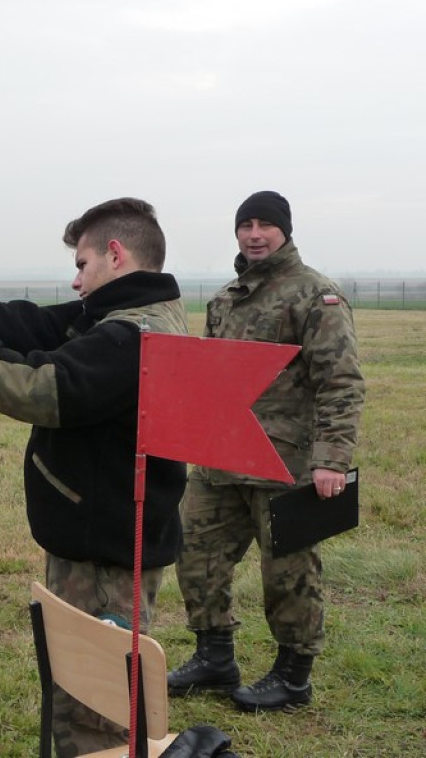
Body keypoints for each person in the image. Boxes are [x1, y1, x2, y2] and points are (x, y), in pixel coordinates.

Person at [0, 198, 189, 757]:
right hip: (96, 539)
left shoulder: (131, 336)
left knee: (96, 716)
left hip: (106, 556)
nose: (75, 281)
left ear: (115, 255)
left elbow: (38, 386)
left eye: (82, 264)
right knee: (79, 694)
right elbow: (29, 323)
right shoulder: (114, 316)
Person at [169, 191, 365, 712]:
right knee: (195, 551)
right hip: (221, 459)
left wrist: (332, 459)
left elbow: (340, 381)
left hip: (288, 462)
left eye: (265, 225)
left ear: (285, 230)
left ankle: (293, 678)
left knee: (289, 574)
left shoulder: (315, 295)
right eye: (246, 225)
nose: (255, 234)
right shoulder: (226, 299)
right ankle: (214, 658)